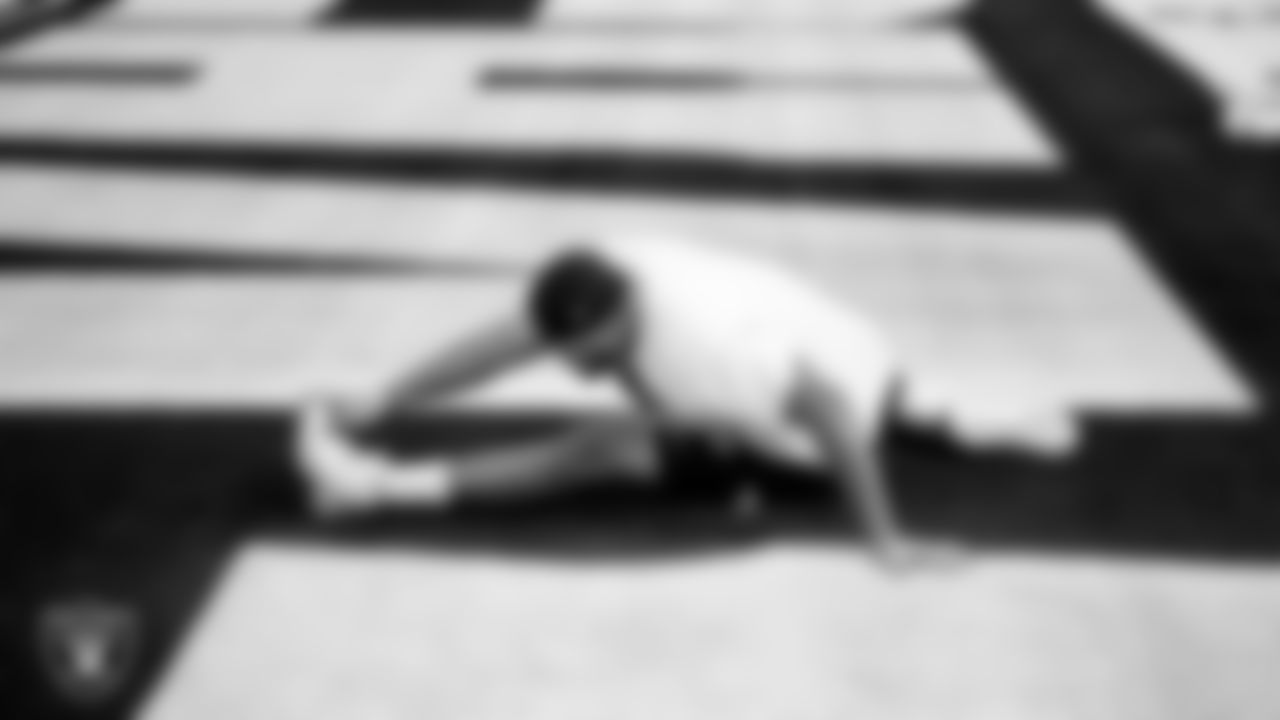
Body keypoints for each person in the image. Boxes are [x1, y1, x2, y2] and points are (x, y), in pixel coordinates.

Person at [295, 233, 1078, 572]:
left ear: (627, 315)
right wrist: (385, 394)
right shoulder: (610, 271)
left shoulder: (709, 353)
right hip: (848, 344)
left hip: (802, 430)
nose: (575, 363)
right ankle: (936, 414)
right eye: (567, 350)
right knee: (614, 405)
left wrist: (886, 543)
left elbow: (833, 411)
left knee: (602, 442)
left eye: (593, 351)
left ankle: (368, 488)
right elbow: (502, 341)